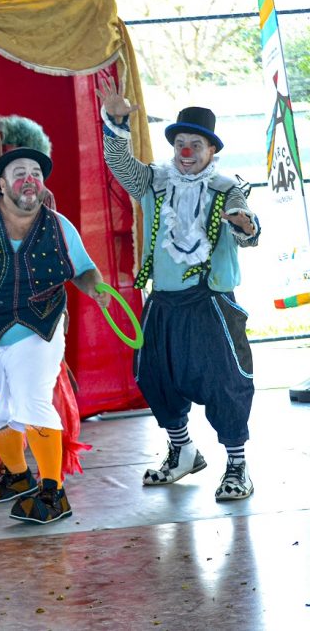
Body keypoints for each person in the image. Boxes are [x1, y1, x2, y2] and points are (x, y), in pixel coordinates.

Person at [97, 78, 260, 501]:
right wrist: (116, 121)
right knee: (154, 376)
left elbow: (248, 226)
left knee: (225, 382)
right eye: (180, 143)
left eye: (196, 145)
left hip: (211, 304)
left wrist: (245, 226)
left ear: (212, 152)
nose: (185, 152)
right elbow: (119, 164)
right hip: (164, 304)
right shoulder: (155, 181)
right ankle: (183, 450)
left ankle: (238, 466)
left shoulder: (228, 188)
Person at [0, 144, 110, 524]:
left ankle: (53, 493)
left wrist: (96, 288)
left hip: (37, 327)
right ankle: (16, 476)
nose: (30, 179)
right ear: (2, 184)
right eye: (20, 173)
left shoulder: (60, 226)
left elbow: (83, 269)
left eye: (36, 173)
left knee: (32, 403)